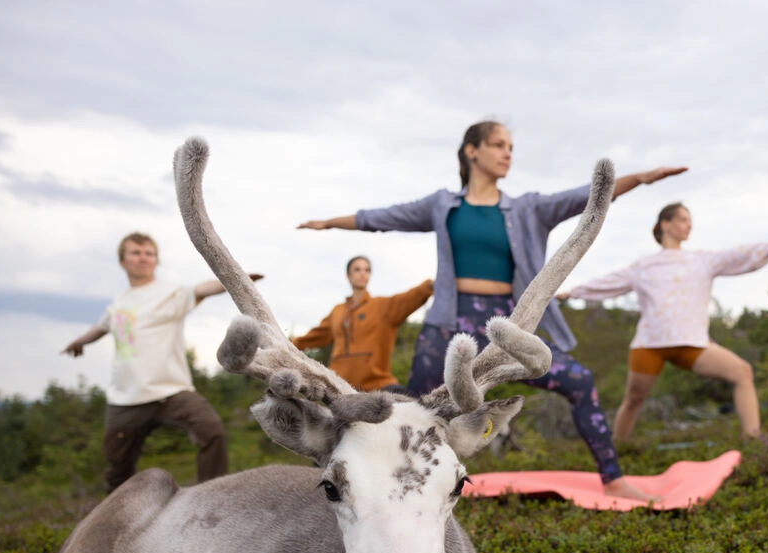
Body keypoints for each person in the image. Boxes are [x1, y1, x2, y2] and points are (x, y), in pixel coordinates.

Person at [298, 120, 686, 502]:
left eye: (511, 148)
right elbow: (382, 218)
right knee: (416, 410)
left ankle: (614, 479)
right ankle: (393, 491)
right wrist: (330, 223)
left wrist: (642, 178)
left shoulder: (527, 209)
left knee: (580, 381)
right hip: (448, 324)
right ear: (472, 151)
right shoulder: (442, 205)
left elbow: (587, 196)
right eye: (499, 145)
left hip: (509, 326)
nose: (507, 154)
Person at [561, 202, 768, 439]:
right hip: (649, 345)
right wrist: (572, 292)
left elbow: (738, 254)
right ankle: (615, 454)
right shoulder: (644, 266)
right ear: (665, 224)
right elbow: (609, 282)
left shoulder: (702, 260)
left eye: (689, 220)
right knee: (634, 399)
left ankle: (755, 443)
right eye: (683, 219)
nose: (689, 225)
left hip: (691, 344)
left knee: (742, 372)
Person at [62, 232, 258, 492]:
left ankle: (211, 496)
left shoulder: (171, 293)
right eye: (135, 252)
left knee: (211, 431)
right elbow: (101, 327)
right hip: (127, 396)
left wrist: (234, 279)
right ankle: (119, 517)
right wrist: (79, 343)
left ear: (156, 260)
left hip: (171, 391)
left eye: (149, 253)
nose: (143, 258)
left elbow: (202, 289)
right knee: (117, 468)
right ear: (123, 261)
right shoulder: (119, 304)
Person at [291, 255, 433, 392]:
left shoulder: (382, 306)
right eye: (357, 269)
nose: (362, 273)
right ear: (348, 275)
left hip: (378, 386)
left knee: (417, 407)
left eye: (367, 270)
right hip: (340, 386)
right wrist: (290, 344)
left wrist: (429, 286)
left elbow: (408, 299)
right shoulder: (337, 311)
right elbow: (315, 335)